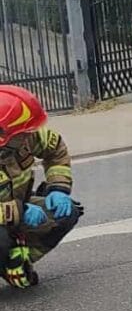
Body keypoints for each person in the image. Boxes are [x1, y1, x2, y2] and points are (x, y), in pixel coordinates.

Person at [0, 85, 82, 290]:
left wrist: (58, 188)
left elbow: (55, 150)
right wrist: (20, 211)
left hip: (18, 208)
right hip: (10, 215)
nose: (30, 136)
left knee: (65, 213)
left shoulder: (24, 135)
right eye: (23, 133)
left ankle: (18, 261)